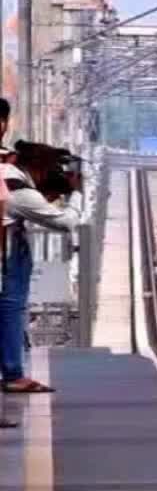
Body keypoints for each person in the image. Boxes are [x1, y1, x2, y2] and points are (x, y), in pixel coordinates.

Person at [0, 141, 81, 393]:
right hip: (9, 248)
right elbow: (66, 222)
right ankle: (13, 374)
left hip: (10, 243)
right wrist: (76, 194)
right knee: (11, 307)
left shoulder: (7, 170)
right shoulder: (21, 192)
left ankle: (12, 369)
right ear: (40, 169)